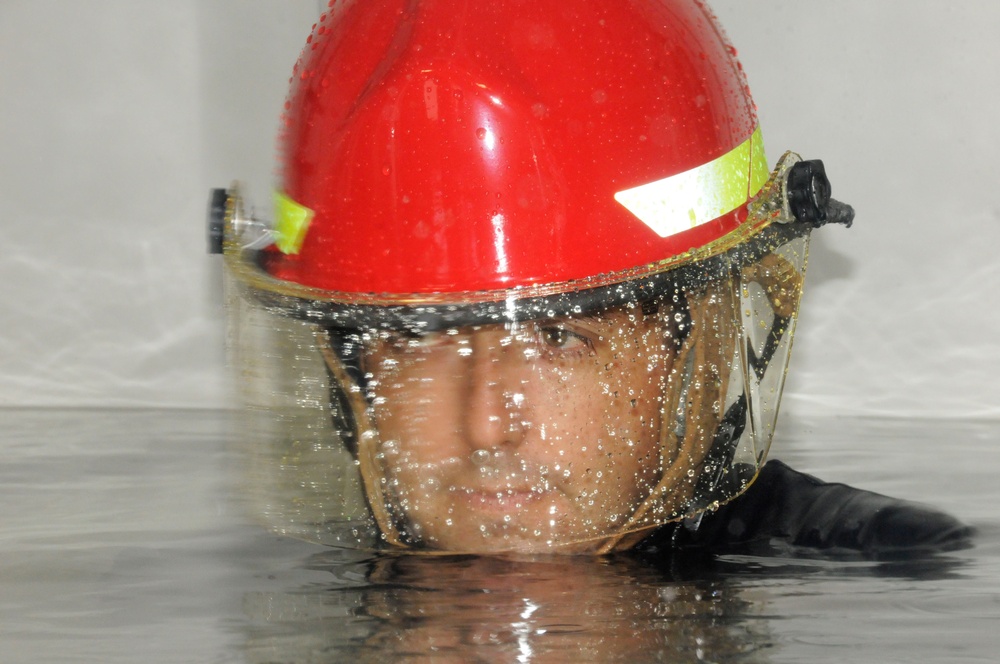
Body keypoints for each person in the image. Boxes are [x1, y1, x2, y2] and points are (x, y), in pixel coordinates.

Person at [211, 0, 972, 556]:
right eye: (418, 341)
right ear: (350, 376)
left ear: (691, 358)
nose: (487, 427)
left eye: (556, 337)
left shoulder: (885, 563)